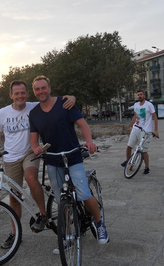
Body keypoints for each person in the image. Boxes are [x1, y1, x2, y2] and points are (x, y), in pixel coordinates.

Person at [0, 80, 76, 249]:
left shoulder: (34, 106)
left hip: (30, 153)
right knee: (14, 198)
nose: (20, 95)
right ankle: (15, 234)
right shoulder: (2, 113)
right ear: (11, 95)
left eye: (23, 92)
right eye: (17, 93)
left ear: (27, 94)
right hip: (10, 158)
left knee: (31, 178)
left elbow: (53, 100)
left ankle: (43, 215)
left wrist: (72, 97)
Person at [29, 75, 109, 249]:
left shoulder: (65, 104)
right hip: (52, 160)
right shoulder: (34, 113)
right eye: (37, 89)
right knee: (61, 201)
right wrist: (35, 148)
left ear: (49, 88)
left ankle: (99, 223)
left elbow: (83, 124)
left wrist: (89, 141)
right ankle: (68, 235)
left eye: (43, 88)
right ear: (34, 92)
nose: (41, 91)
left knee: (83, 194)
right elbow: (34, 140)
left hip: (72, 156)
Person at [121, 90, 159, 175]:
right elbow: (135, 115)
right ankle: (128, 162)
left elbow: (155, 117)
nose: (139, 96)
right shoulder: (136, 105)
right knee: (129, 146)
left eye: (141, 94)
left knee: (144, 150)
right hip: (136, 128)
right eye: (138, 95)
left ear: (144, 95)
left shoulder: (149, 105)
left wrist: (155, 130)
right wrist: (131, 125)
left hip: (145, 131)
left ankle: (147, 167)